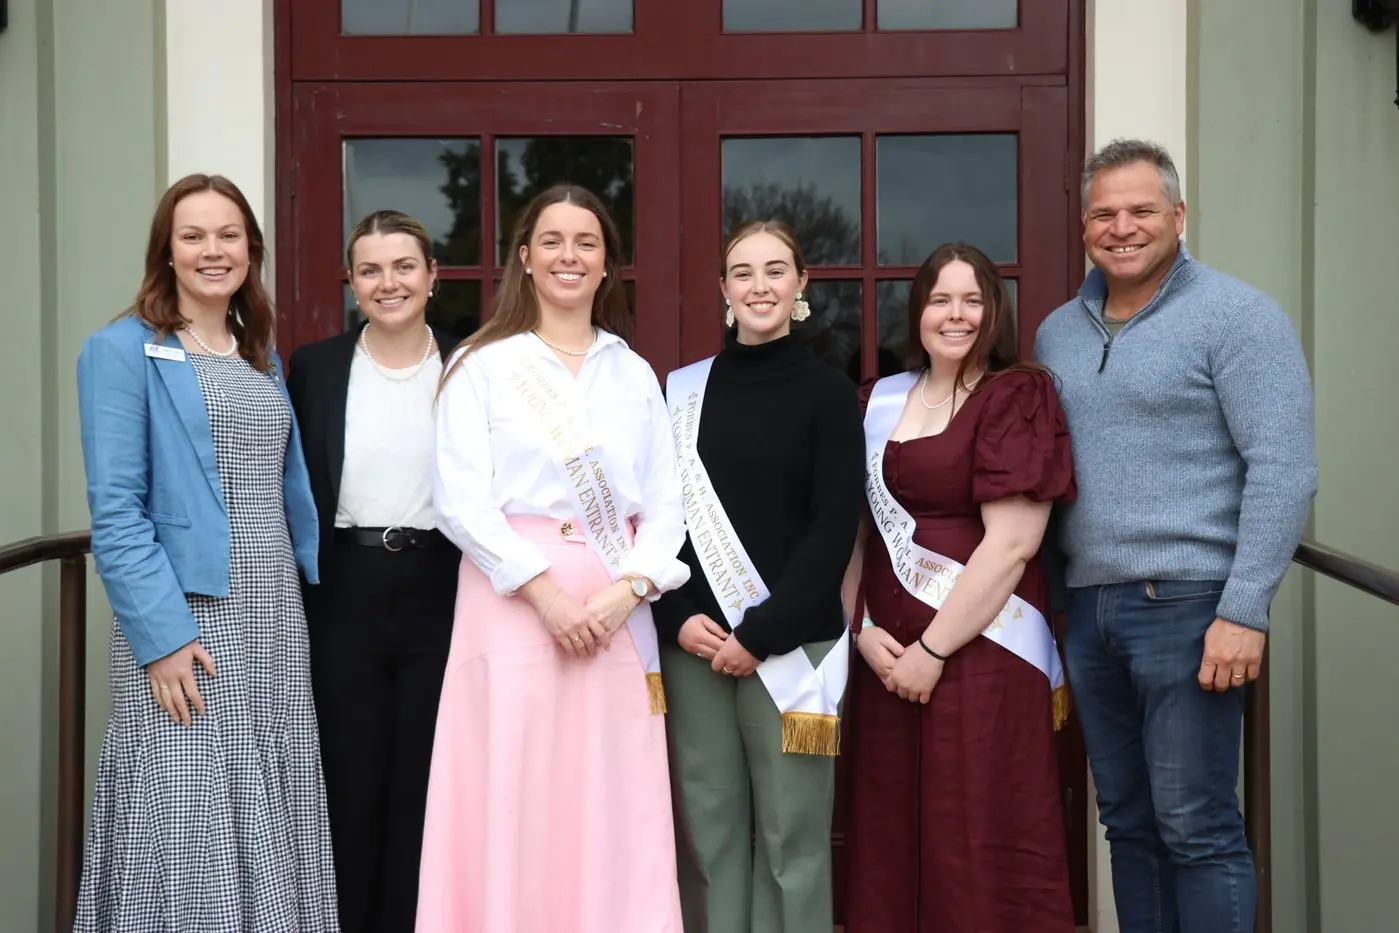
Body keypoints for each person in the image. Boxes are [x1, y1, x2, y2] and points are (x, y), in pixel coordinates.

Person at [1035, 139, 1317, 933]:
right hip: (1089, 609)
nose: (1121, 227)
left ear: (1178, 215)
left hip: (1191, 607)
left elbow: (1284, 468)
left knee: (1196, 826)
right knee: (1126, 821)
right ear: (1083, 224)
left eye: (1140, 210)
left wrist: (1244, 608)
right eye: (1103, 213)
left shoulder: (1237, 317)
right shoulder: (1058, 332)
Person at [416, 184, 689, 933]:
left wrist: (628, 590)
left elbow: (666, 504)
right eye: (553, 241)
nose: (570, 256)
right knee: (513, 790)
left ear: (606, 264)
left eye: (586, 242)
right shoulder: (482, 364)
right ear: (526, 258)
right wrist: (546, 596)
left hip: (616, 613)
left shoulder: (632, 373)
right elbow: (460, 500)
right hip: (511, 605)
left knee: (610, 799)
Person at [73, 174, 338, 931]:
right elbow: (116, 512)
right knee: (188, 800)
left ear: (251, 249)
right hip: (189, 615)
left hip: (273, 612)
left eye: (229, 235)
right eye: (193, 236)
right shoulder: (121, 350)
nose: (212, 250)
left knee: (269, 795)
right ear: (166, 250)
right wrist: (161, 639)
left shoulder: (259, 353)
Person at [843, 242, 1077, 932]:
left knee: (976, 831)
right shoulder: (876, 401)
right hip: (887, 658)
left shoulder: (1017, 395)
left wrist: (933, 650)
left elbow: (1013, 544)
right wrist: (860, 630)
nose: (956, 315)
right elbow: (855, 534)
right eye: (940, 299)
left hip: (983, 654)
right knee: (892, 831)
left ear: (993, 310)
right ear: (917, 311)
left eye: (972, 300)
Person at [655, 220, 865, 933]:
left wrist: (761, 633)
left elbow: (832, 529)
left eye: (775, 270)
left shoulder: (830, 393)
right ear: (723, 288)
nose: (759, 286)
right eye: (743, 273)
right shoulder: (681, 394)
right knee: (707, 835)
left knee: (791, 840)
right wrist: (676, 615)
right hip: (696, 644)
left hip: (792, 646)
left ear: (801, 283)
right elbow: (656, 520)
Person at [287, 210, 457, 933]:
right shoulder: (315, 367)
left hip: (444, 587)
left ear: (432, 275)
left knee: (426, 782)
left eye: (404, 266)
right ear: (352, 283)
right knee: (348, 783)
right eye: (371, 270)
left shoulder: (472, 361)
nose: (389, 282)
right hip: (346, 589)